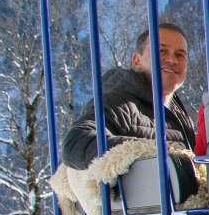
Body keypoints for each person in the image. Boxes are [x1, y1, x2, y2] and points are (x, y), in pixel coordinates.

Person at [61, 21, 199, 200]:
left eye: (180, 55)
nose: (172, 60)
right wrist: (145, 151)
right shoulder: (119, 101)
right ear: (136, 60)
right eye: (161, 51)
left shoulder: (178, 114)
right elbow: (74, 144)